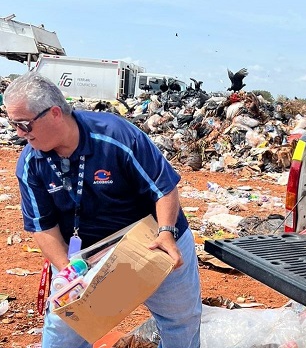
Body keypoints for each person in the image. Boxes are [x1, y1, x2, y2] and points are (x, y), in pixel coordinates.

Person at [3, 72, 202, 348]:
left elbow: (163, 187)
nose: (19, 134)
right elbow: (42, 226)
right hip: (90, 258)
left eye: (23, 124)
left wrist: (166, 232)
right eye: (14, 125)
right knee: (65, 333)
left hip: (153, 243)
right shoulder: (31, 163)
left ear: (55, 114)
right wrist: (69, 273)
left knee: (180, 324)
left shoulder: (115, 136)